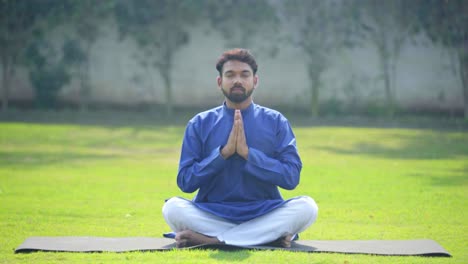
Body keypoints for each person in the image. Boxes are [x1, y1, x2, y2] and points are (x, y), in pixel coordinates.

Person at [162, 48, 318, 248]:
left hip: (264, 212)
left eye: (244, 75)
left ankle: (214, 240)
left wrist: (248, 155)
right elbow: (185, 181)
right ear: (220, 82)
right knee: (172, 208)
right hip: (211, 213)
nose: (238, 80)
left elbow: (291, 178)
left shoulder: (276, 121)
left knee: (307, 207)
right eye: (230, 75)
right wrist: (222, 154)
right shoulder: (199, 123)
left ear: (255, 81)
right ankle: (263, 237)